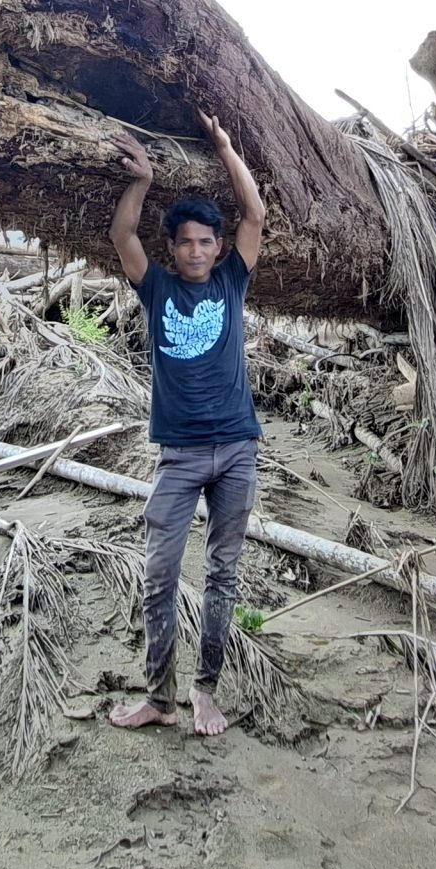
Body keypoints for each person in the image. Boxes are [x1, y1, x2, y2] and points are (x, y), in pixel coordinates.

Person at [105, 111, 265, 738]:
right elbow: (123, 236)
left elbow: (253, 215)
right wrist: (142, 180)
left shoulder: (231, 281)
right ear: (172, 250)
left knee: (222, 575)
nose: (197, 251)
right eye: (186, 243)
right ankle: (159, 698)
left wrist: (225, 145)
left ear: (217, 249)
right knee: (160, 575)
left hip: (237, 452)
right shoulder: (158, 291)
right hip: (178, 458)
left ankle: (205, 692)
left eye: (206, 242)